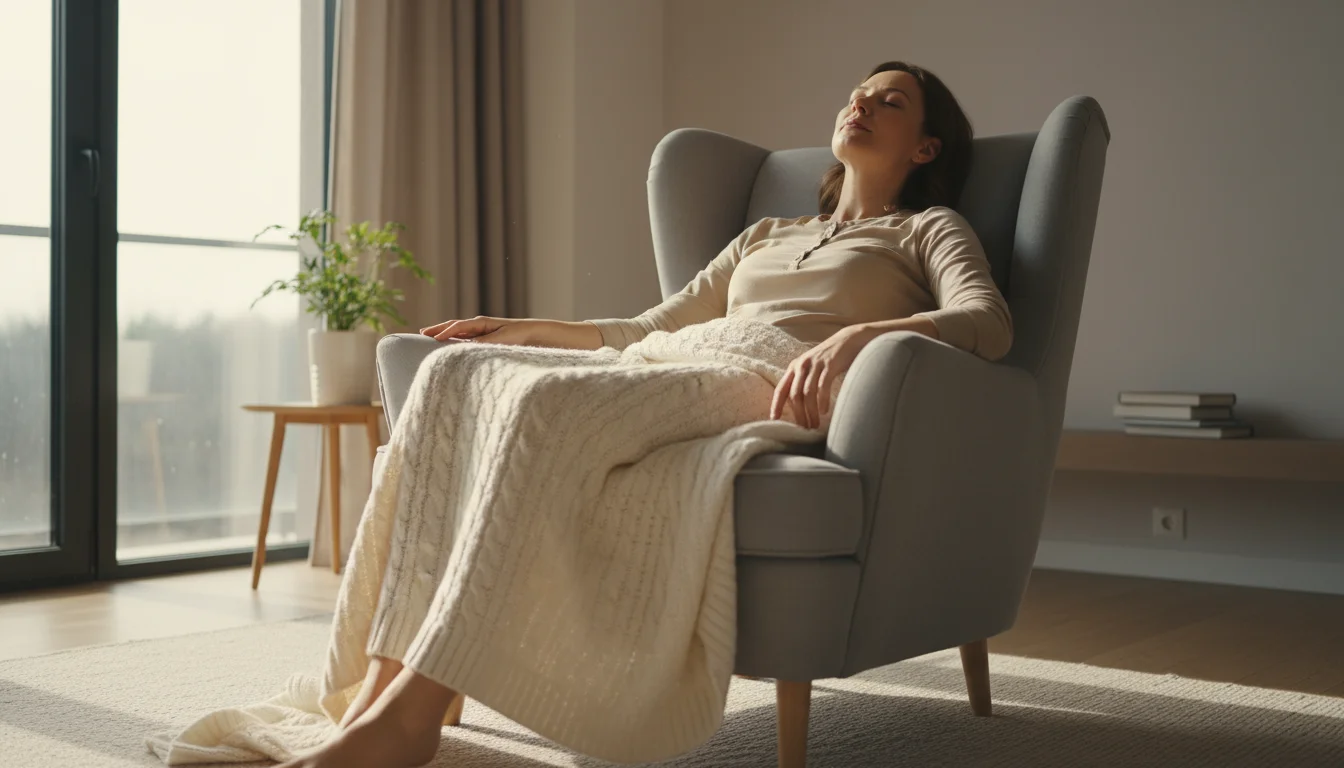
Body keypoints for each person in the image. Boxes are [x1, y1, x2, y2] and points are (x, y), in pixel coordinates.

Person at [277, 60, 1011, 768]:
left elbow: (987, 322)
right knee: (449, 372)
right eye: (858, 93)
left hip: (761, 374)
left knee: (541, 407)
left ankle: (410, 720)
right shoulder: (767, 234)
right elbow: (652, 325)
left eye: (889, 101)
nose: (862, 104)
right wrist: (527, 329)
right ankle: (378, 697)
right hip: (681, 353)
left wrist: (861, 335)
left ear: (925, 146)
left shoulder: (927, 230)